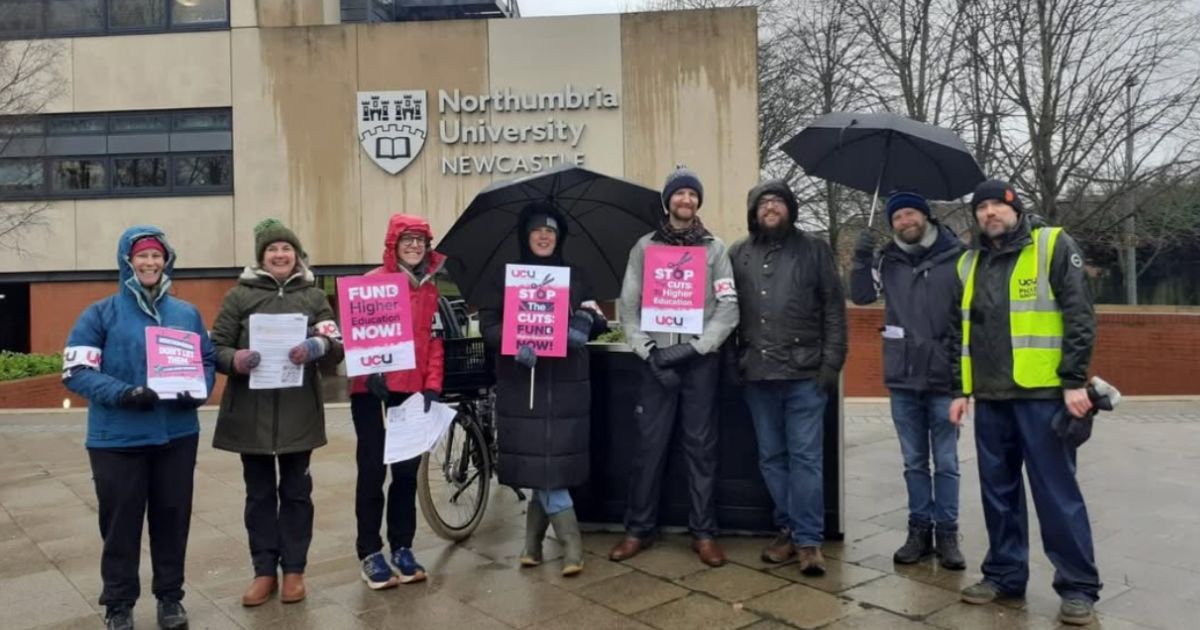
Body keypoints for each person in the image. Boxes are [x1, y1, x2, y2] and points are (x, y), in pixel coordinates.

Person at [949, 179, 1101, 626]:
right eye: (982, 208)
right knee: (998, 495)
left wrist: (1073, 380)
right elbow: (960, 334)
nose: (990, 213)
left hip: (1042, 396)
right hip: (992, 397)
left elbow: (1079, 314)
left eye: (998, 204)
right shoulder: (969, 263)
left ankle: (1078, 587)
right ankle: (1004, 574)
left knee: (1057, 495)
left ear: (1015, 208)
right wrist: (961, 391)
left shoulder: (1051, 244)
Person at [63, 226, 216, 630]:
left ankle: (170, 598)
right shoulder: (100, 313)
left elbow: (207, 359)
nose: (149, 263)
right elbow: (76, 370)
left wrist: (197, 390)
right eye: (142, 256)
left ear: (167, 261)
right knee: (120, 526)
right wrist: (124, 393)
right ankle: (118, 603)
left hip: (176, 434)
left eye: (156, 256)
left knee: (172, 519)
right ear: (127, 261)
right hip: (117, 438)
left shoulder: (186, 314)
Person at [609, 166, 739, 567]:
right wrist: (650, 353)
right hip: (656, 362)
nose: (686, 201)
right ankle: (637, 530)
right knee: (648, 449)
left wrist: (697, 349)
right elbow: (627, 308)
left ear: (698, 202)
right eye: (679, 194)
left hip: (699, 364)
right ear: (668, 201)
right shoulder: (645, 248)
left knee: (701, 449)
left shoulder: (715, 249)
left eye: (692, 195)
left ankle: (704, 533)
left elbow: (728, 306)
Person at [211, 219, 344, 607]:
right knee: (259, 496)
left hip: (297, 411)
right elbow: (216, 345)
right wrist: (234, 358)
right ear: (261, 257)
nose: (280, 255)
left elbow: (336, 343)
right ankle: (264, 571)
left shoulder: (313, 296)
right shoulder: (239, 296)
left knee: (297, 493)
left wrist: (318, 346)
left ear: (297, 255)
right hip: (250, 414)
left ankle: (296, 570)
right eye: (272, 250)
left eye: (286, 249)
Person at [479, 202, 608, 577]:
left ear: (559, 237)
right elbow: (488, 326)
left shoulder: (576, 277)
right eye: (537, 230)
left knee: (549, 466)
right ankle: (571, 546)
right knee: (543, 465)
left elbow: (597, 315)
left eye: (551, 231)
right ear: (526, 235)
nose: (544, 236)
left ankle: (533, 545)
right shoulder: (504, 278)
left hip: (567, 386)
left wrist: (585, 322)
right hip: (524, 384)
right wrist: (511, 341)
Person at [728, 180, 847, 576]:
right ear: (753, 211)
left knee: (806, 459)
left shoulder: (814, 250)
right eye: (764, 202)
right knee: (772, 459)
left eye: (779, 201)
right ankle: (789, 529)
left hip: (805, 374)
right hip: (757, 375)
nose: (771, 207)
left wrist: (831, 364)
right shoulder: (738, 254)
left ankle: (809, 541)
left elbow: (834, 308)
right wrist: (734, 363)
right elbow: (728, 313)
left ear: (791, 208)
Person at [849, 191, 966, 570]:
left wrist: (964, 381)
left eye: (911, 213)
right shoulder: (887, 259)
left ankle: (947, 532)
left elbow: (972, 316)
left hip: (945, 378)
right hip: (903, 376)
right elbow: (861, 296)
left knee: (946, 461)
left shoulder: (958, 257)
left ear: (926, 216)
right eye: (897, 217)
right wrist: (860, 257)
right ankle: (919, 529)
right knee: (914, 461)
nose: (905, 221)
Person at [349, 214, 444, 589]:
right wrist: (368, 373)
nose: (415, 246)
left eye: (421, 240)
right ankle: (370, 552)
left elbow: (435, 342)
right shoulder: (372, 283)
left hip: (412, 393)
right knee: (372, 471)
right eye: (408, 239)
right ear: (394, 243)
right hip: (372, 393)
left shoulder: (431, 290)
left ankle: (402, 546)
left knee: (406, 474)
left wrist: (433, 384)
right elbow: (358, 338)